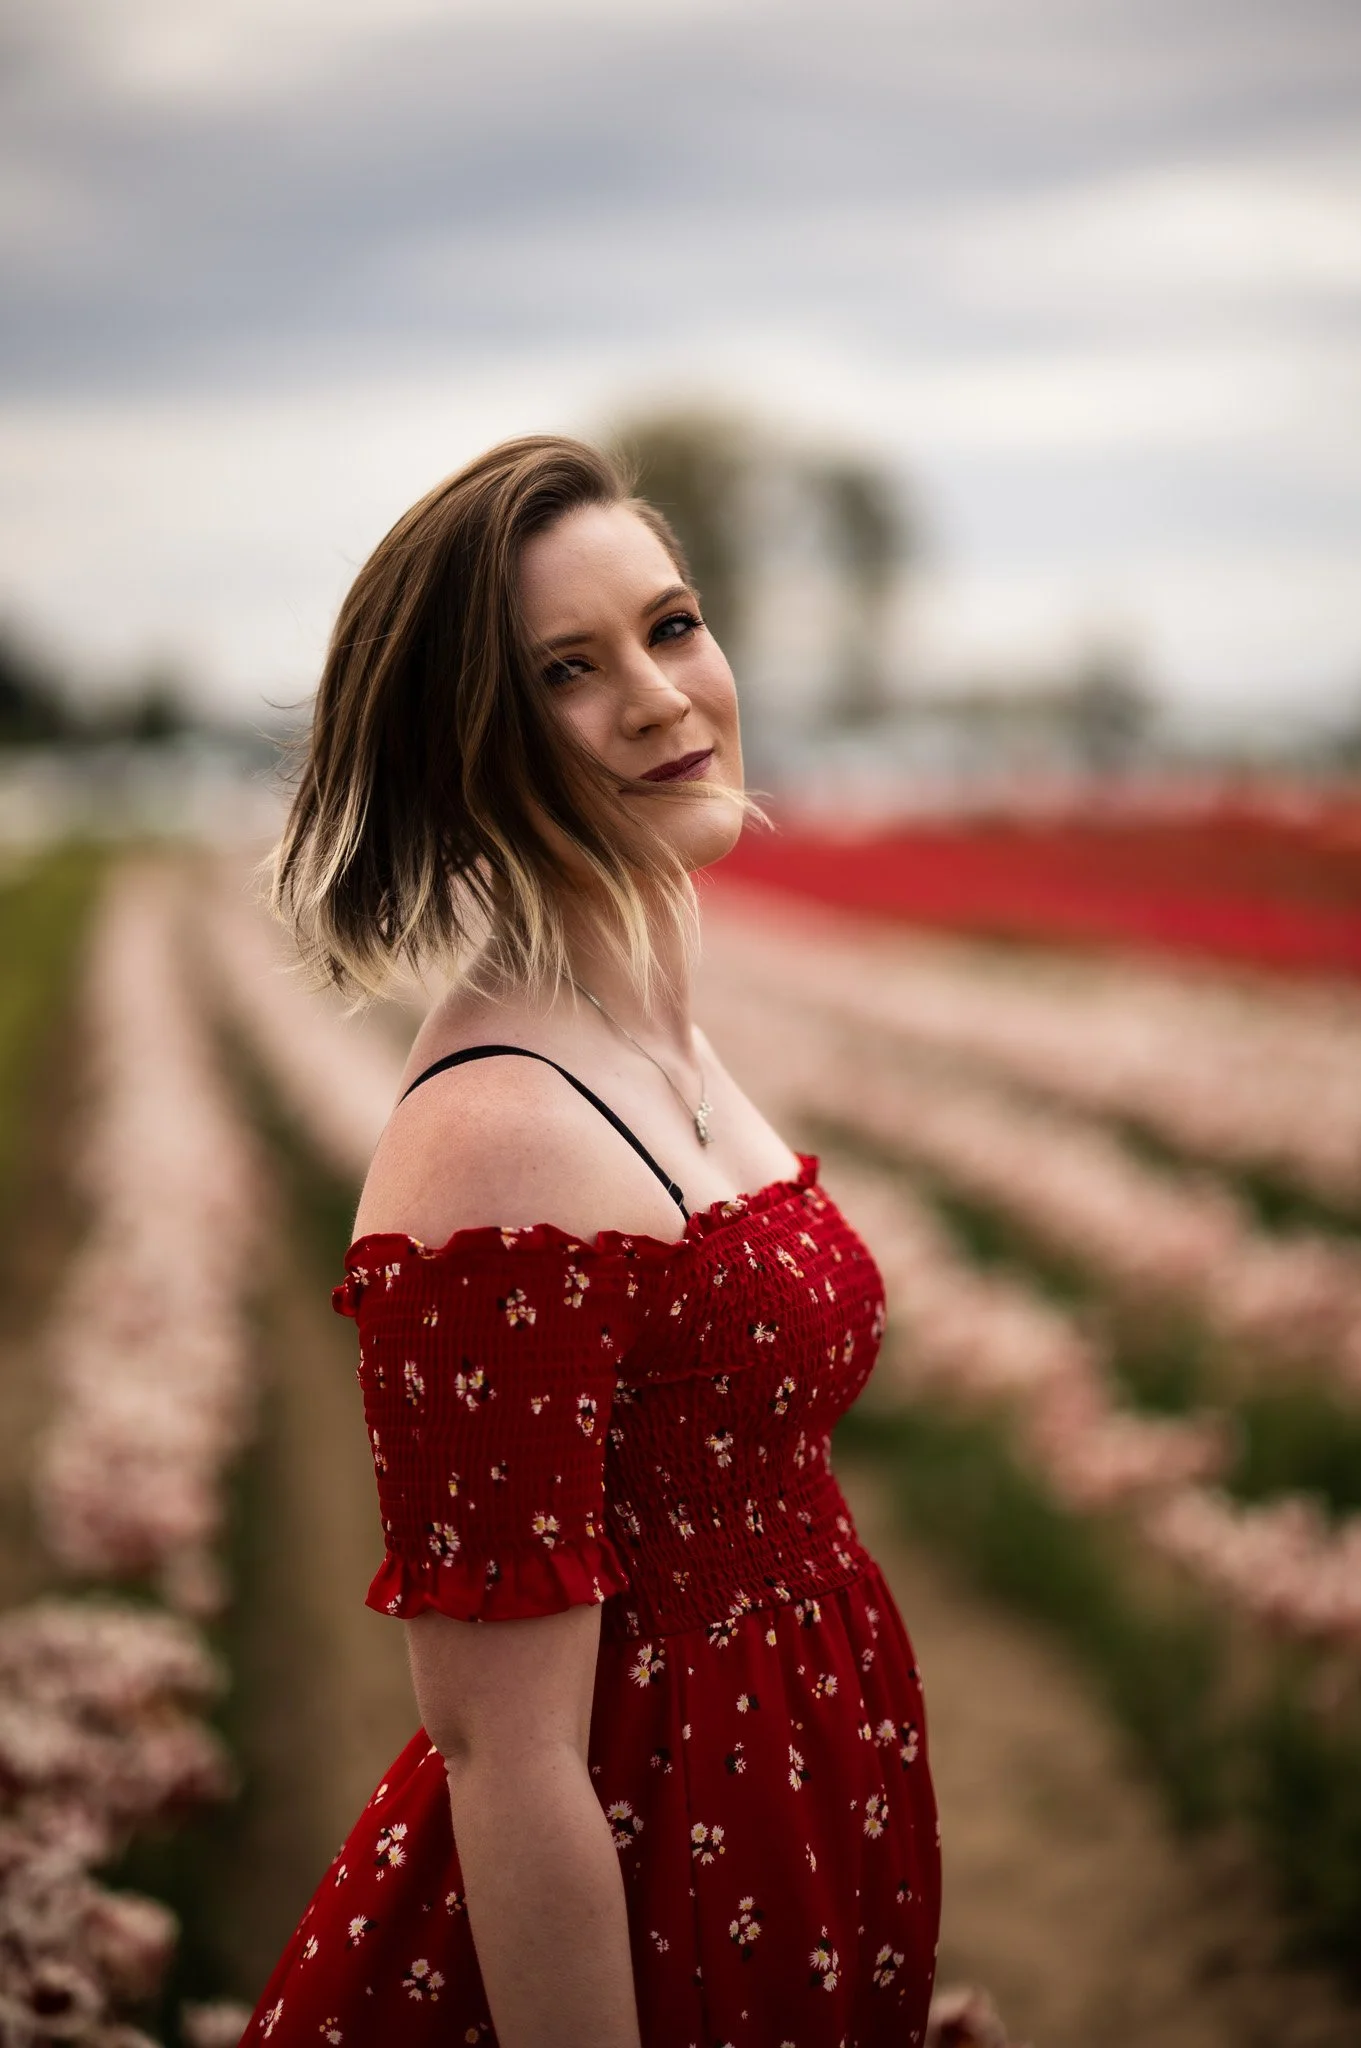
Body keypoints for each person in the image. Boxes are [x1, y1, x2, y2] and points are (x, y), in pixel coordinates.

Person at [245, 434, 940, 2045]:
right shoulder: (498, 1137)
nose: (659, 699)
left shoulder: (656, 1044)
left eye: (672, 625)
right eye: (569, 670)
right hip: (643, 1902)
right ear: (464, 752)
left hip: (787, 1840)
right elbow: (503, 1750)